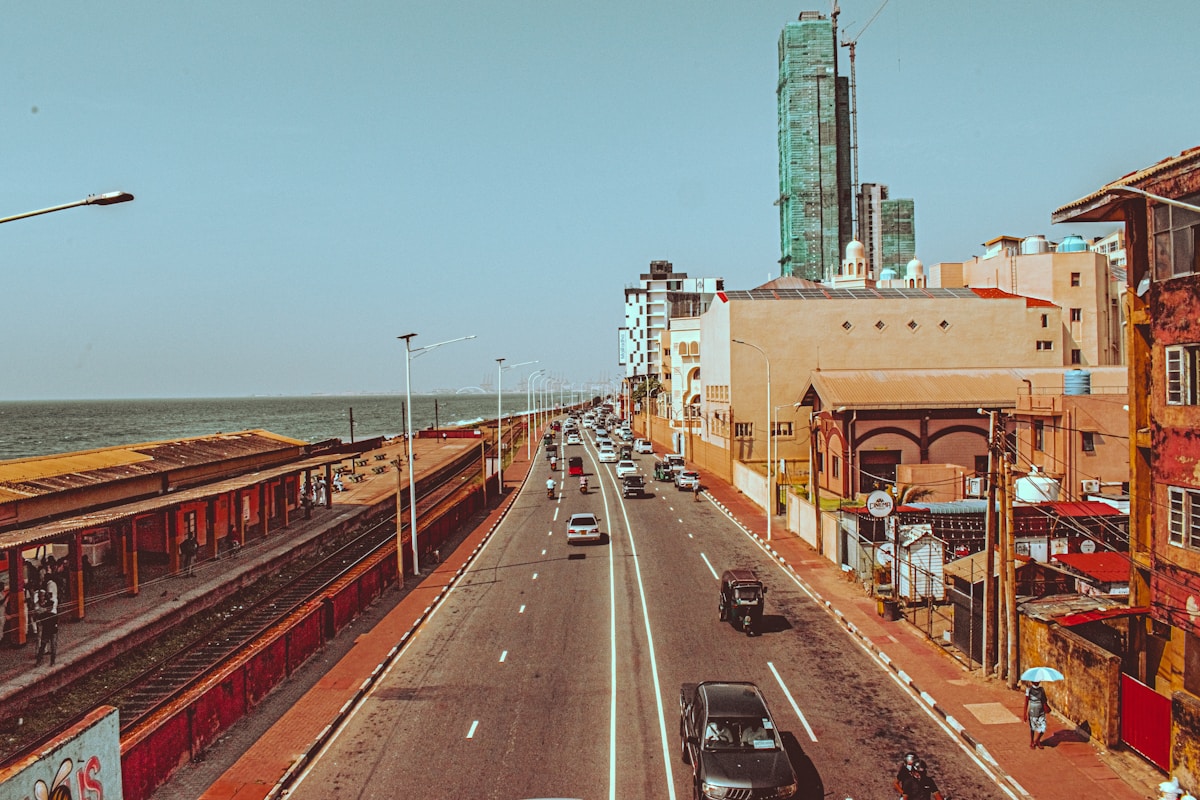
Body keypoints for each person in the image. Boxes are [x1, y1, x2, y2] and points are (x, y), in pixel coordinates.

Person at [1023, 680, 1051, 749]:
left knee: (1043, 727)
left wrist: (1046, 706)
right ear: (1032, 682)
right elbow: (1026, 702)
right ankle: (1032, 741)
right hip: (1033, 712)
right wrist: (1024, 713)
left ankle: (1037, 740)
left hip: (1041, 711)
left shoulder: (1041, 690)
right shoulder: (1029, 690)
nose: (1037, 682)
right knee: (1033, 727)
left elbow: (1044, 700)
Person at [34, 590, 58, 667]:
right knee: (46, 645)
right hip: (49, 629)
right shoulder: (51, 612)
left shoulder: (48, 608)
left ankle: (49, 661)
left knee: (51, 646)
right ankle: (43, 661)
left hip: (50, 628)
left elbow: (41, 617)